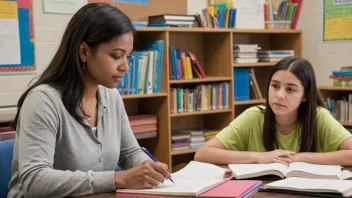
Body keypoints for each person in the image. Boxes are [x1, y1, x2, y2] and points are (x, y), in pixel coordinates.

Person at [8, 3, 171, 198]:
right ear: (84, 52)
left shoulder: (111, 97)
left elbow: (129, 154)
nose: (125, 67)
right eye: (116, 56)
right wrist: (116, 179)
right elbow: (35, 181)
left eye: (128, 57)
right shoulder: (43, 101)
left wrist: (147, 168)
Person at [195, 56, 352, 166]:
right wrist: (259, 157)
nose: (279, 95)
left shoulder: (319, 118)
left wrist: (303, 157)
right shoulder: (254, 116)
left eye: (290, 89)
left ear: (306, 95)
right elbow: (203, 154)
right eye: (275, 86)